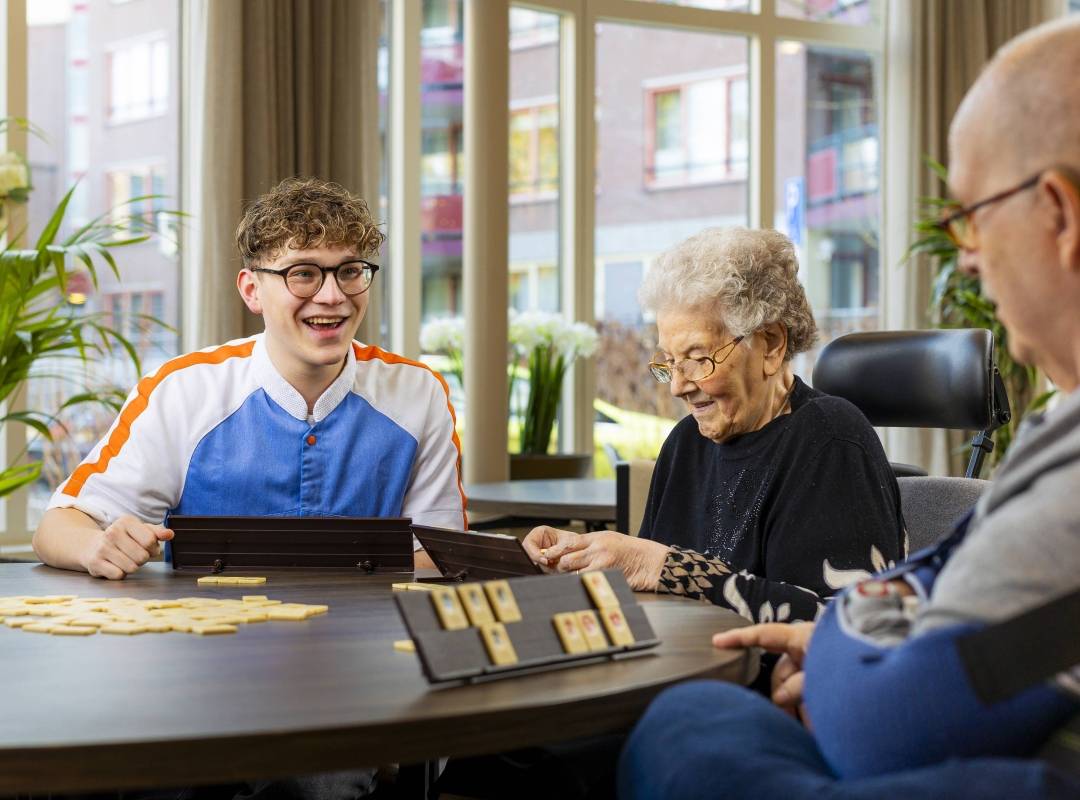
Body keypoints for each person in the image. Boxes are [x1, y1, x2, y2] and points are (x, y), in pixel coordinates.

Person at [618, 17, 1080, 799]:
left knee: (682, 730)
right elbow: (913, 597)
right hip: (914, 717)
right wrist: (854, 647)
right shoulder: (1056, 429)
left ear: (1058, 215)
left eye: (971, 216)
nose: (964, 256)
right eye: (674, 361)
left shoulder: (832, 437)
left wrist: (838, 658)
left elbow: (891, 714)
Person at [33, 177, 465, 578]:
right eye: (303, 274)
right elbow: (57, 527)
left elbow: (441, 554)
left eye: (350, 271)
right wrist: (97, 547)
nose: (332, 296)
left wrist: (516, 555)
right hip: (211, 651)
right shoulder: (183, 390)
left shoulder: (418, 392)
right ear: (251, 290)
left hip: (368, 650)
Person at [524, 227, 905, 625]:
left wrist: (667, 568)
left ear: (771, 344)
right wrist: (579, 560)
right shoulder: (685, 443)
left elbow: (851, 624)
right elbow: (648, 591)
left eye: (698, 358)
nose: (677, 385)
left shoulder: (831, 441)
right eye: (669, 361)